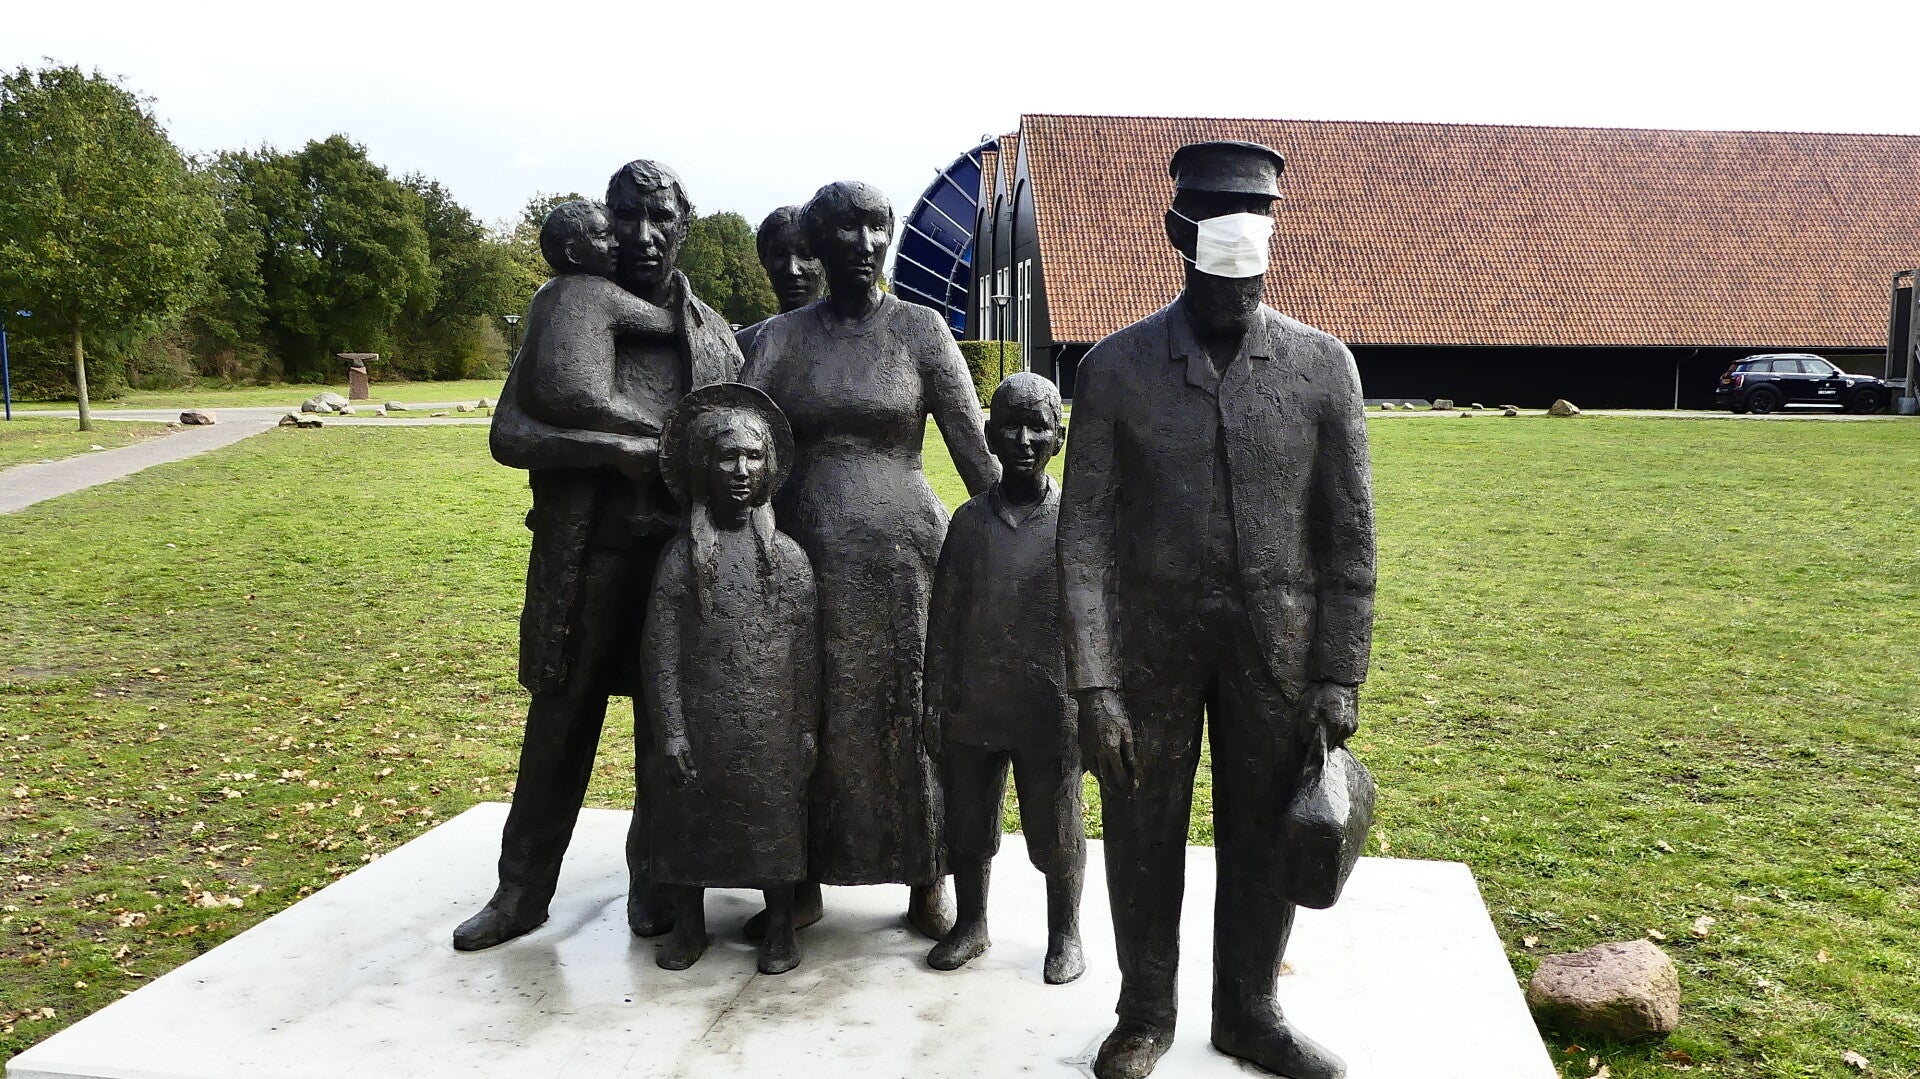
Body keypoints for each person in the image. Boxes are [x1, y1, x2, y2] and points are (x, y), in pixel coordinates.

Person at [1058, 141, 1377, 1079]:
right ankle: (1143, 1011)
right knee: (1141, 828)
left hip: (1278, 654)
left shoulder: (1323, 368)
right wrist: (1095, 685)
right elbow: (1083, 539)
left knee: (1265, 828)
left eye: (1256, 229)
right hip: (1147, 651)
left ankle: (1250, 1008)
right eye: (1220, 230)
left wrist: (1337, 672)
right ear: (1177, 234)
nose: (1240, 257)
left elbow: (1349, 535)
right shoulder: (1114, 370)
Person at [454, 160, 744, 952]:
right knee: (561, 717)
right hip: (587, 558)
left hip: (678, 561)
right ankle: (521, 888)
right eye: (626, 218)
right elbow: (510, 433)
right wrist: (611, 450)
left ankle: (655, 879)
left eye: (660, 218)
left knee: (667, 719)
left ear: (683, 226)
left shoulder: (715, 337)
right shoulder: (571, 309)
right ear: (605, 225)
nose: (643, 235)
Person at [740, 180, 999, 940]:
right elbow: (739, 432)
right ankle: (798, 878)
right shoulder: (783, 339)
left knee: (912, 711)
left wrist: (1031, 527)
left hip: (906, 562)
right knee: (806, 713)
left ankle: (928, 875)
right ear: (818, 243)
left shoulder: (920, 330)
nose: (863, 244)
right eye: (845, 230)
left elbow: (973, 450)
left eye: (876, 227)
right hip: (804, 560)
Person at [639, 383, 818, 976]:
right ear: (701, 467)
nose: (741, 470)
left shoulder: (788, 559)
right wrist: (671, 729)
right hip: (700, 718)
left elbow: (805, 654)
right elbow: (660, 649)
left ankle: (780, 925)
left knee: (775, 815)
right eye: (726, 457)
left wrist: (807, 728)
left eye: (753, 456)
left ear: (770, 467)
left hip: (771, 722)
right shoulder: (680, 561)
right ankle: (688, 923)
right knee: (687, 813)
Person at [923, 372, 1085, 985]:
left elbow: (1097, 620)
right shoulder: (968, 522)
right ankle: (971, 922)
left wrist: (1095, 703)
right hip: (973, 705)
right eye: (1010, 426)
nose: (1023, 440)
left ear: (1058, 439)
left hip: (1049, 707)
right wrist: (933, 701)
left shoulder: (1075, 522)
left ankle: (1065, 933)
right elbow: (943, 617)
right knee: (969, 825)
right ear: (989, 436)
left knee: (1056, 826)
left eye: (1037, 427)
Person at [514, 199, 674, 439]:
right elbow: (665, 324)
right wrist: (680, 291)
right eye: (603, 237)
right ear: (573, 252)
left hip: (535, 402)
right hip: (586, 399)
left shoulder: (543, 294)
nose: (616, 244)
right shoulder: (600, 292)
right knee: (657, 429)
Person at [734, 205, 825, 355]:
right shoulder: (743, 345)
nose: (792, 270)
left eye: (806, 255)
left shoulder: (855, 339)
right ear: (764, 260)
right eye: (779, 255)